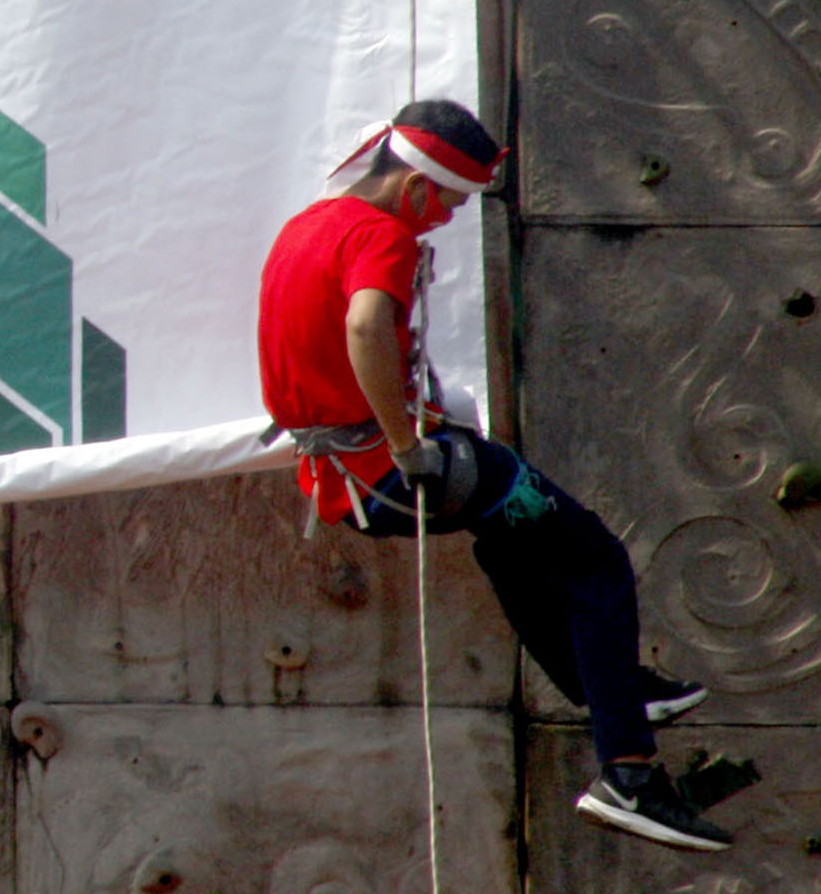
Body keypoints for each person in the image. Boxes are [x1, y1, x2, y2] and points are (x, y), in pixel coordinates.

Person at [256, 101, 728, 851]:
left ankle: (610, 693)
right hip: (388, 470)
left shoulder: (306, 226)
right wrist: (405, 443)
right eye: (447, 201)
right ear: (414, 187)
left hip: (339, 480)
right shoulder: (382, 234)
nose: (446, 219)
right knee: (595, 556)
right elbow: (365, 325)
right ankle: (629, 774)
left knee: (515, 544)